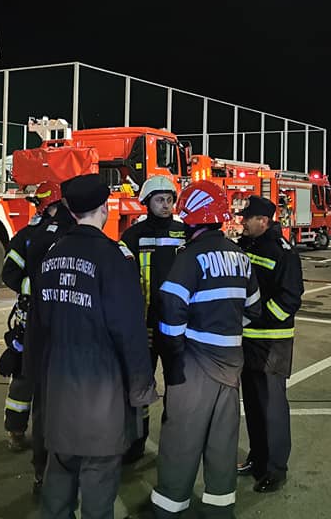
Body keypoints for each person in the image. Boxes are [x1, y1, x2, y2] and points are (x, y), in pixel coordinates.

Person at [33, 173, 157, 519]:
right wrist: (141, 386)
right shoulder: (113, 256)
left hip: (58, 385)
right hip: (101, 388)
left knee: (59, 470)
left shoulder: (52, 254)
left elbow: (41, 321)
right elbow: (128, 328)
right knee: (99, 476)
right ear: (105, 207)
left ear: (71, 211)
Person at [151, 180, 261, 519]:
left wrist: (175, 352)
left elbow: (169, 308)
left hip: (194, 365)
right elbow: (253, 309)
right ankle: (219, 507)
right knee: (222, 442)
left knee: (180, 441)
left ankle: (170, 508)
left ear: (193, 219)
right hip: (231, 364)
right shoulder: (240, 256)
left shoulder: (191, 259)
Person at [0, 181, 74, 492]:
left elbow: (10, 273)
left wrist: (28, 290)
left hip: (30, 318)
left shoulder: (28, 235)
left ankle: (16, 430)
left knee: (24, 373)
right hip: (64, 317)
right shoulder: (73, 232)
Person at [235, 195, 303, 493]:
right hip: (247, 340)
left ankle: (276, 468)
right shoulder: (246, 246)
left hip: (272, 343)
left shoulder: (283, 252)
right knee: (252, 403)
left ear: (263, 221)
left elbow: (290, 298)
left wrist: (259, 319)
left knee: (272, 407)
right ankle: (258, 458)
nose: (242, 222)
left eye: (247, 218)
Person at [119, 175, 185, 464]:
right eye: (160, 200)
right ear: (146, 202)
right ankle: (136, 444)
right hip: (144, 326)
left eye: (170, 199)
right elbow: (121, 281)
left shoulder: (185, 232)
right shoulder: (132, 237)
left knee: (178, 389)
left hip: (177, 328)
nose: (166, 205)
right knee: (140, 389)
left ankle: (175, 443)